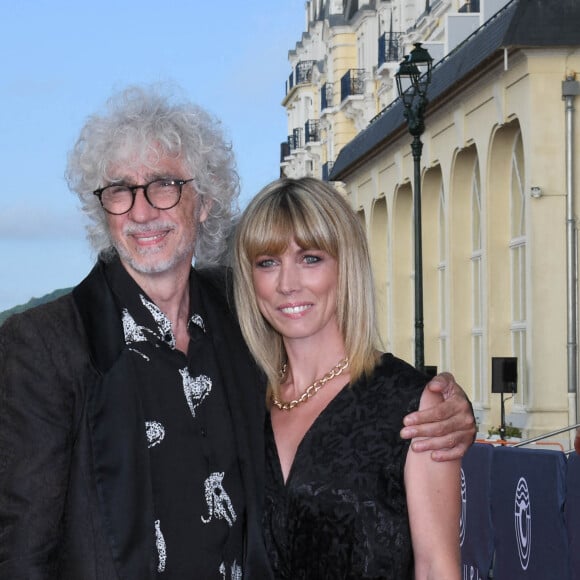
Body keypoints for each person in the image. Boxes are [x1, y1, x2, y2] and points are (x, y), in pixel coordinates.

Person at [0, 85, 472, 580]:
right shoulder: (43, 347)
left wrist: (446, 406)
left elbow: (354, 389)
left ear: (202, 202)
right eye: (120, 190)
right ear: (103, 208)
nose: (142, 212)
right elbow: (20, 554)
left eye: (163, 185)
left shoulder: (241, 315)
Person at [233, 177, 462, 579]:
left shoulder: (412, 405)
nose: (287, 284)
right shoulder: (244, 399)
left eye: (310, 258)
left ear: (346, 266)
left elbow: (436, 568)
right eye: (267, 263)